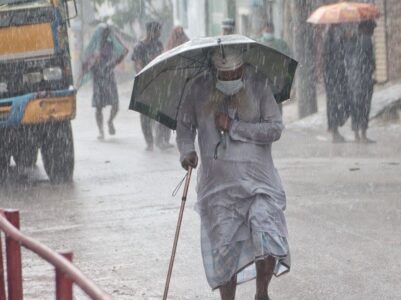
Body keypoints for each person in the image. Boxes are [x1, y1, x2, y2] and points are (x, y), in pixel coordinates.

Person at [176, 48, 290, 300]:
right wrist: (186, 151)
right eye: (224, 75)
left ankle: (262, 292)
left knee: (267, 231)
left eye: (235, 73)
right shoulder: (197, 89)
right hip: (218, 188)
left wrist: (234, 126)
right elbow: (184, 126)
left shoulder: (259, 85)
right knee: (224, 249)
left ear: (243, 68)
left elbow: (274, 129)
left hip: (259, 182)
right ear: (215, 71)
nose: (230, 79)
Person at [82, 24, 128, 140]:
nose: (106, 34)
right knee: (98, 107)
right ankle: (101, 131)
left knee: (115, 105)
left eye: (108, 32)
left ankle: (110, 121)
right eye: (104, 32)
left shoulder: (111, 44)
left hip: (109, 76)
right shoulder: (93, 47)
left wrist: (114, 63)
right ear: (99, 33)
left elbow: (124, 51)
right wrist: (92, 62)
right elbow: (85, 62)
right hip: (98, 78)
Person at [132, 21, 172, 151]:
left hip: (159, 83)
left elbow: (162, 60)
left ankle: (160, 140)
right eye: (158, 31)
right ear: (151, 31)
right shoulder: (139, 47)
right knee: (145, 114)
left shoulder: (158, 44)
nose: (160, 34)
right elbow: (137, 65)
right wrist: (145, 77)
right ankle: (149, 142)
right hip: (144, 83)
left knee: (162, 111)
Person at [344, 21, 376, 143]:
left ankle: (356, 134)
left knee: (355, 107)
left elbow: (346, 58)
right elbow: (371, 62)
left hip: (352, 80)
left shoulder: (350, 40)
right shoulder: (367, 40)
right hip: (364, 79)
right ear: (365, 28)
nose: (372, 32)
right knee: (364, 107)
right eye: (371, 29)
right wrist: (370, 69)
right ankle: (363, 134)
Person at [323, 25, 351, 143]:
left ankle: (335, 125)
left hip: (341, 78)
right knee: (334, 104)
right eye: (337, 31)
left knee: (345, 103)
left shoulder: (340, 44)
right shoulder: (330, 45)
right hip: (333, 78)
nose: (340, 33)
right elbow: (329, 62)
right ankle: (334, 129)